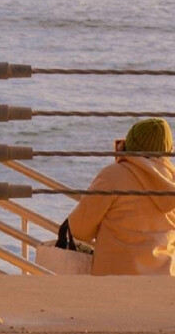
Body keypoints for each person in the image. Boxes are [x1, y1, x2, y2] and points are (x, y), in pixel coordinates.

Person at [66, 118, 175, 276]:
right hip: (164, 282)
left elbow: (80, 229)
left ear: (129, 143)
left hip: (115, 280)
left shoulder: (113, 175)